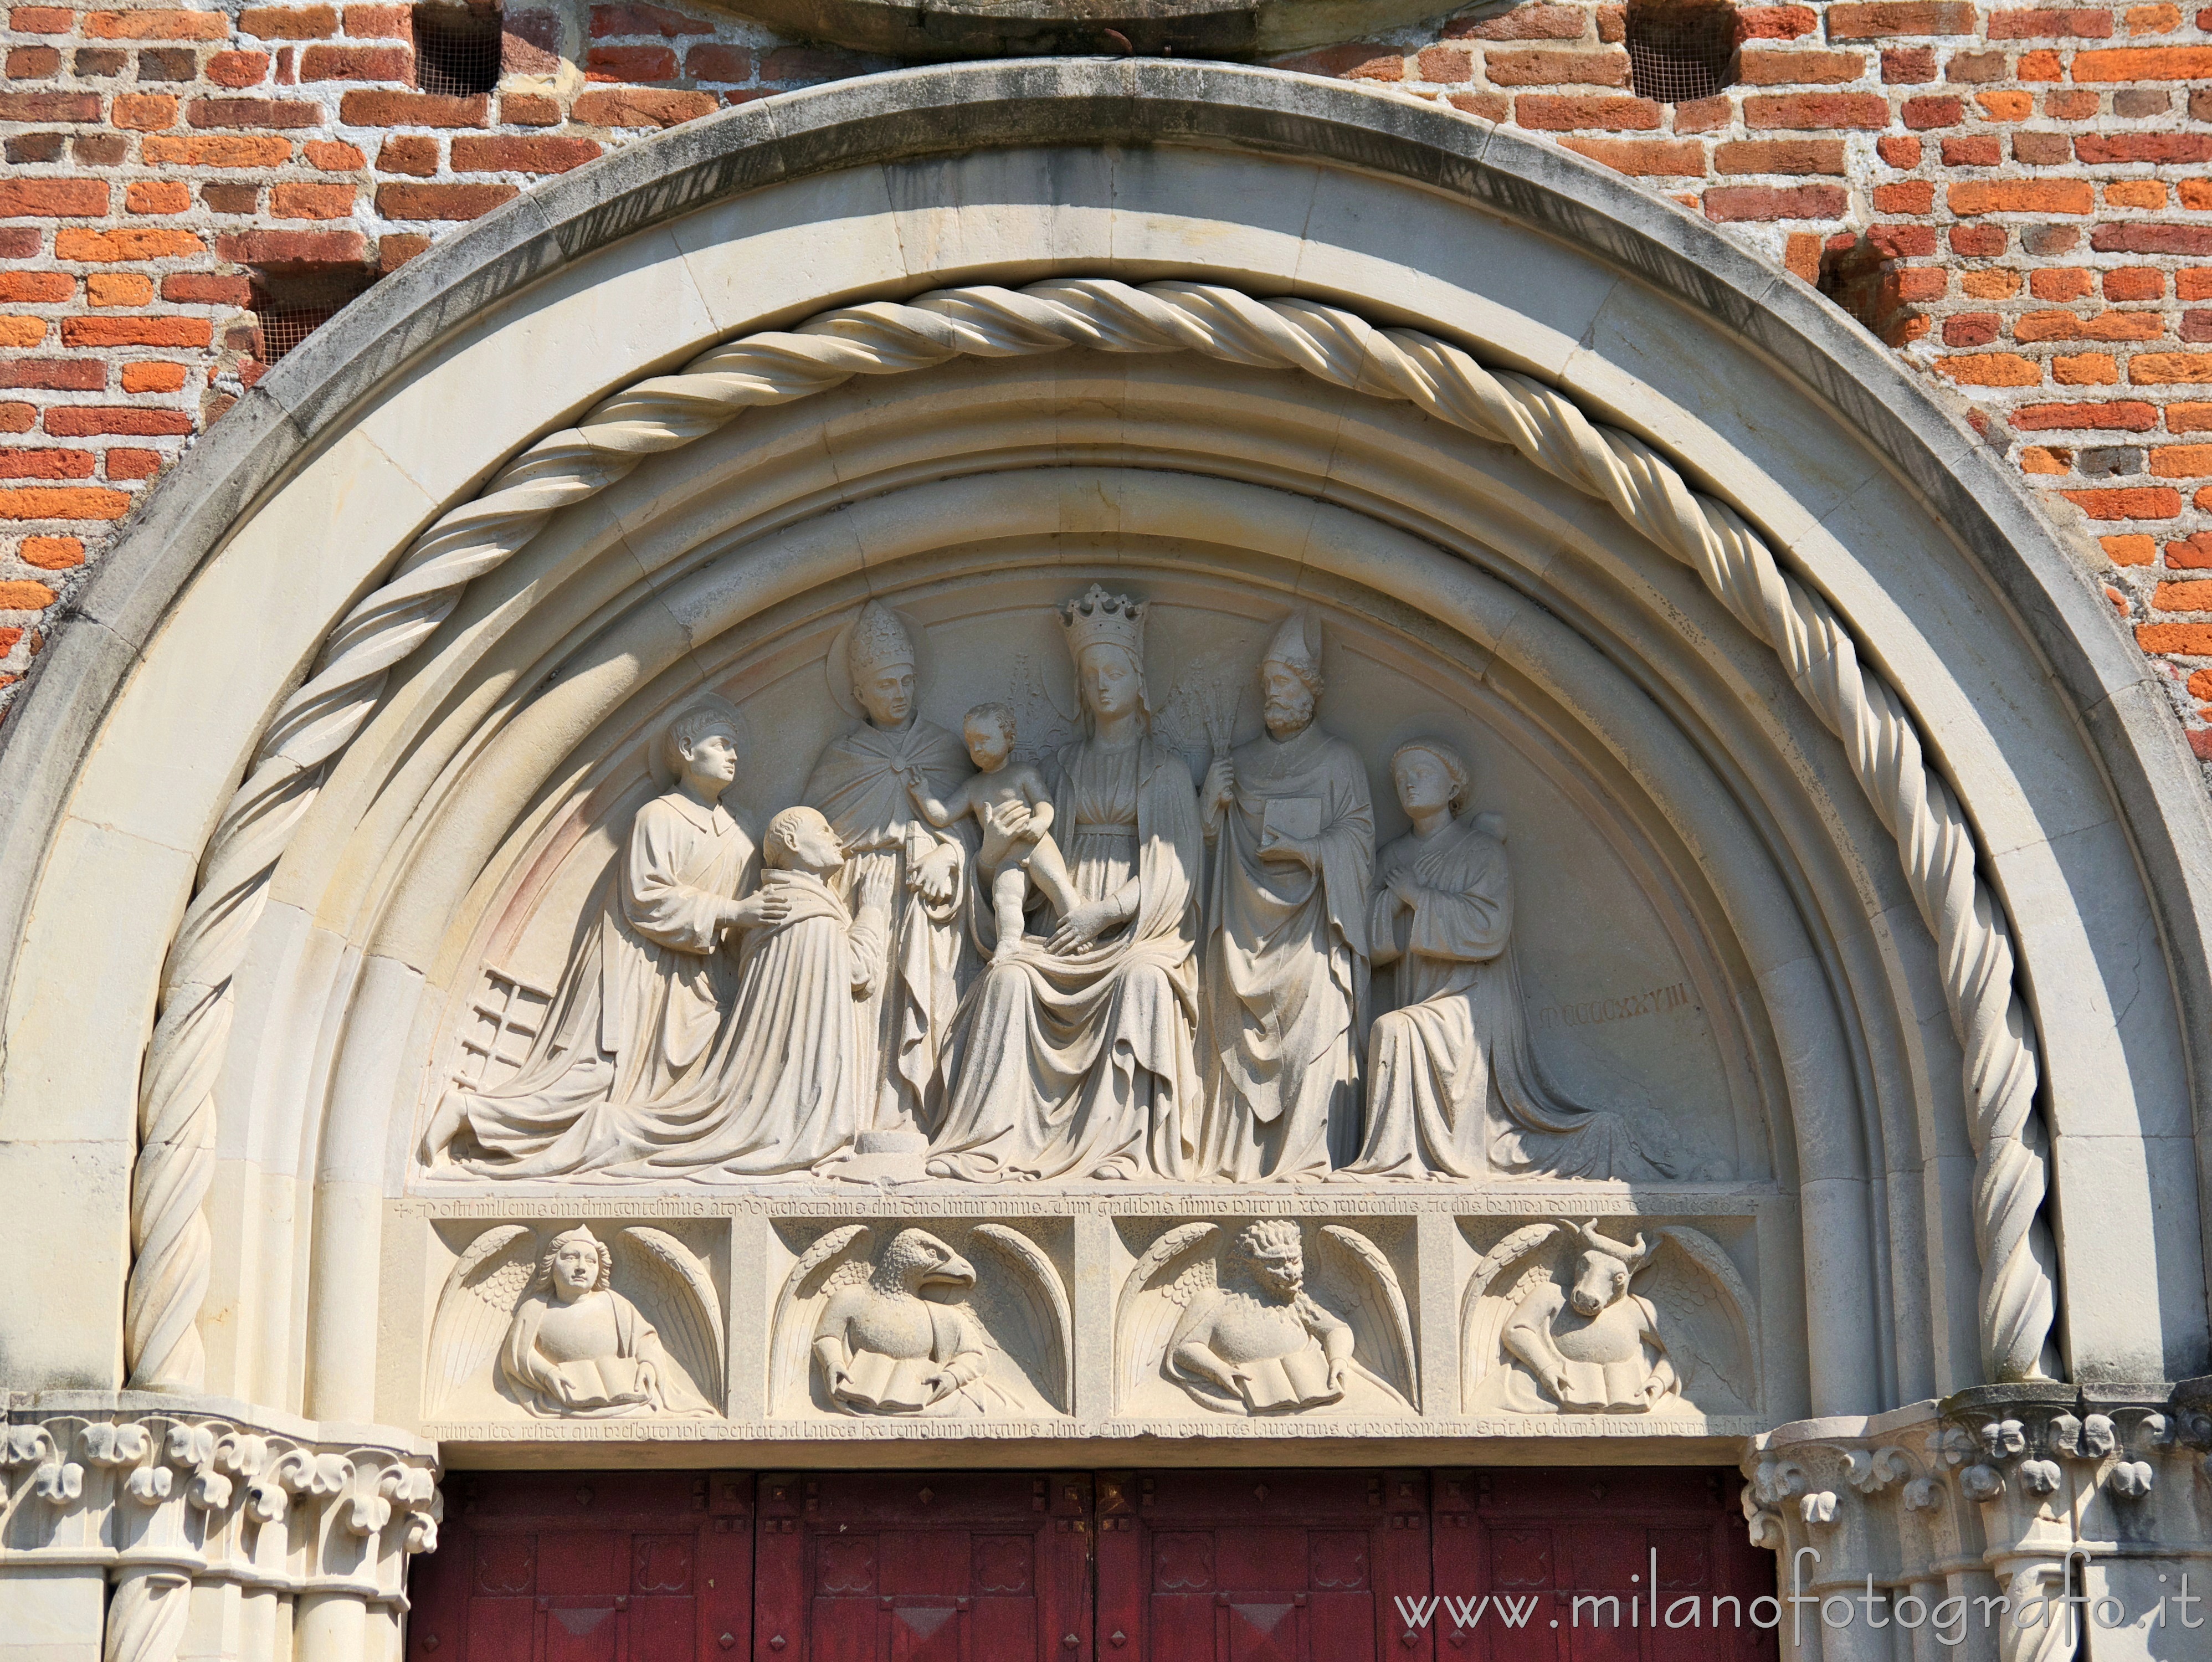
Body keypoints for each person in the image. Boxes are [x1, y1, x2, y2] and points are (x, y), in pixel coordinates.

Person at [418, 704, 779, 1175]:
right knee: (599, 1080)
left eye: (735, 746)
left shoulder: (739, 830)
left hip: (701, 979)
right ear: (688, 751)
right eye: (720, 744)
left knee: (689, 1083)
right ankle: (472, 1113)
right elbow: (646, 897)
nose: (733, 756)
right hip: (639, 967)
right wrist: (734, 912)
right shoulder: (660, 816)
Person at [926, 586, 1203, 1181]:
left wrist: (1102, 914)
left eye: (1116, 671)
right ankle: (988, 1144)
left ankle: (1121, 1151)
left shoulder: (1168, 771)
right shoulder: (1058, 771)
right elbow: (1022, 865)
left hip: (1133, 930)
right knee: (1007, 977)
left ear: (1140, 680)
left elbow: (1177, 874)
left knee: (1145, 981)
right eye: (1091, 672)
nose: (1103, 684)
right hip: (1059, 932)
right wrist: (991, 856)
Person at [1339, 740, 1675, 1182]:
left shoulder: (1481, 852)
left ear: (1453, 785)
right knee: (1395, 1028)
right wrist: (1393, 906)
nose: (1409, 783)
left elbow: (1489, 929)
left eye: (1422, 772)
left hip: (1472, 1002)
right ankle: (1410, 1160)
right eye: (1401, 778)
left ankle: (1401, 1164)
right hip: (1420, 991)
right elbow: (1367, 938)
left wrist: (1417, 897)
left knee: (1395, 1030)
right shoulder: (1393, 858)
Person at [611, 806, 894, 1178]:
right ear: (792, 841)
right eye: (824, 830)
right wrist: (872, 910)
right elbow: (857, 970)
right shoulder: (804, 909)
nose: (837, 839)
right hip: (789, 1113)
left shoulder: (776, 903)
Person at [1197, 611, 1373, 1181]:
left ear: (1310, 690)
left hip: (1313, 933)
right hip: (1243, 927)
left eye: (1284, 683)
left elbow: (1358, 842)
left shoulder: (1338, 761)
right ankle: (1234, 1164)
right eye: (1267, 684)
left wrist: (1309, 849)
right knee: (1225, 1011)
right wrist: (1212, 808)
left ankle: (1306, 1159)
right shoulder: (1240, 763)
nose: (1272, 693)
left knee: (1321, 1015)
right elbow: (1199, 861)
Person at [803, 602, 974, 1138]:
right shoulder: (841, 758)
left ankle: (925, 1114)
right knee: (870, 1011)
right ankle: (864, 1114)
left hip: (934, 908)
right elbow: (812, 843)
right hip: (865, 896)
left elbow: (977, 827)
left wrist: (949, 855)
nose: (899, 693)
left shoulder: (946, 750)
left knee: (932, 1001)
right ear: (859, 694)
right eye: (885, 685)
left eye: (906, 681)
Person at [903, 701, 1080, 967]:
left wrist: (1041, 823)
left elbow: (1044, 803)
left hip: (1036, 845)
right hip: (1006, 856)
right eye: (972, 743)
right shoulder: (974, 787)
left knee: (1057, 884)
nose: (978, 749)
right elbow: (942, 815)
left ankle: (1077, 930)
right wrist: (923, 794)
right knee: (1005, 897)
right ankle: (1009, 942)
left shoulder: (1023, 774)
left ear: (1009, 739)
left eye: (984, 740)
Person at [500, 1227, 710, 1417]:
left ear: (600, 1269)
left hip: (625, 1400)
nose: (581, 1267)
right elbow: (517, 1353)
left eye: (591, 1261)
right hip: (556, 1400)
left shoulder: (614, 1303)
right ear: (552, 1264)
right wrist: (548, 1374)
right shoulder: (536, 1307)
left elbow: (646, 1339)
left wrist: (648, 1364)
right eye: (571, 1258)